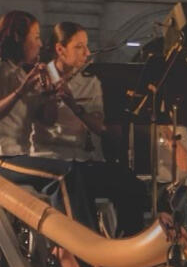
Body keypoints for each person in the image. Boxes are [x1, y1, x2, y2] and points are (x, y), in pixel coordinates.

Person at [0, 8, 94, 255]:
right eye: (36, 37)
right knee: (62, 175)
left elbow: (47, 120)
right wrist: (22, 90)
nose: (40, 44)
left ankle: (86, 245)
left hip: (19, 155)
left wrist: (50, 97)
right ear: (19, 39)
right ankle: (78, 251)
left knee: (76, 172)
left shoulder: (21, 72)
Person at [41, 23, 146, 236]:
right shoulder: (41, 77)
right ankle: (86, 251)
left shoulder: (90, 82)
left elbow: (101, 128)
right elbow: (43, 122)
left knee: (132, 186)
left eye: (86, 47)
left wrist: (74, 106)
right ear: (60, 49)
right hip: (57, 162)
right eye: (79, 47)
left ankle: (125, 250)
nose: (87, 53)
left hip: (87, 161)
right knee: (78, 188)